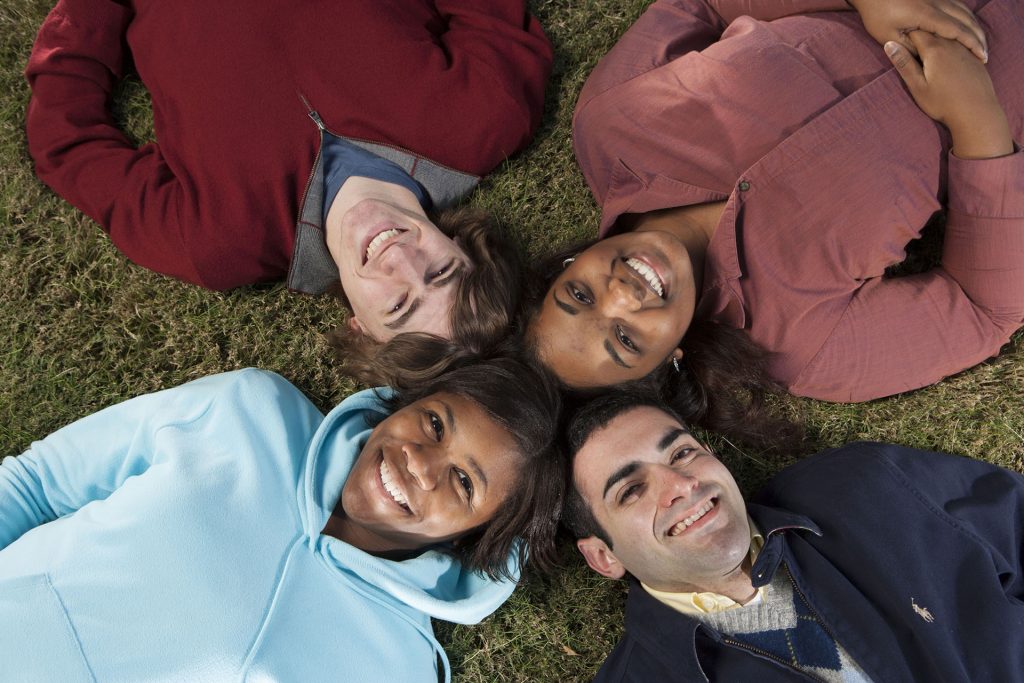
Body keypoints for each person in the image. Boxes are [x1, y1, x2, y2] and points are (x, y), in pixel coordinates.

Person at [526, 0, 1024, 420]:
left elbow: (697, 4)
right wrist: (978, 122)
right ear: (668, 363)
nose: (619, 296)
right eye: (626, 340)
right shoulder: (803, 349)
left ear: (564, 266)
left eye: (579, 293)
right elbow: (985, 312)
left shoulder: (612, 125)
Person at [25, 0, 553, 380]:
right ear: (466, 250)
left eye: (398, 306)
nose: (403, 260)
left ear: (361, 329)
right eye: (441, 271)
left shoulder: (216, 242)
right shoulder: (486, 115)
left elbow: (66, 141)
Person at [0, 358, 563, 681]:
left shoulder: (401, 666)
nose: (420, 462)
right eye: (435, 424)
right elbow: (37, 484)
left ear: (478, 537)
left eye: (464, 483)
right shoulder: (249, 408)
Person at [562, 392, 1024, 682]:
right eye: (632, 490)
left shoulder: (864, 487)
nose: (681, 485)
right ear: (603, 557)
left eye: (682, 452)